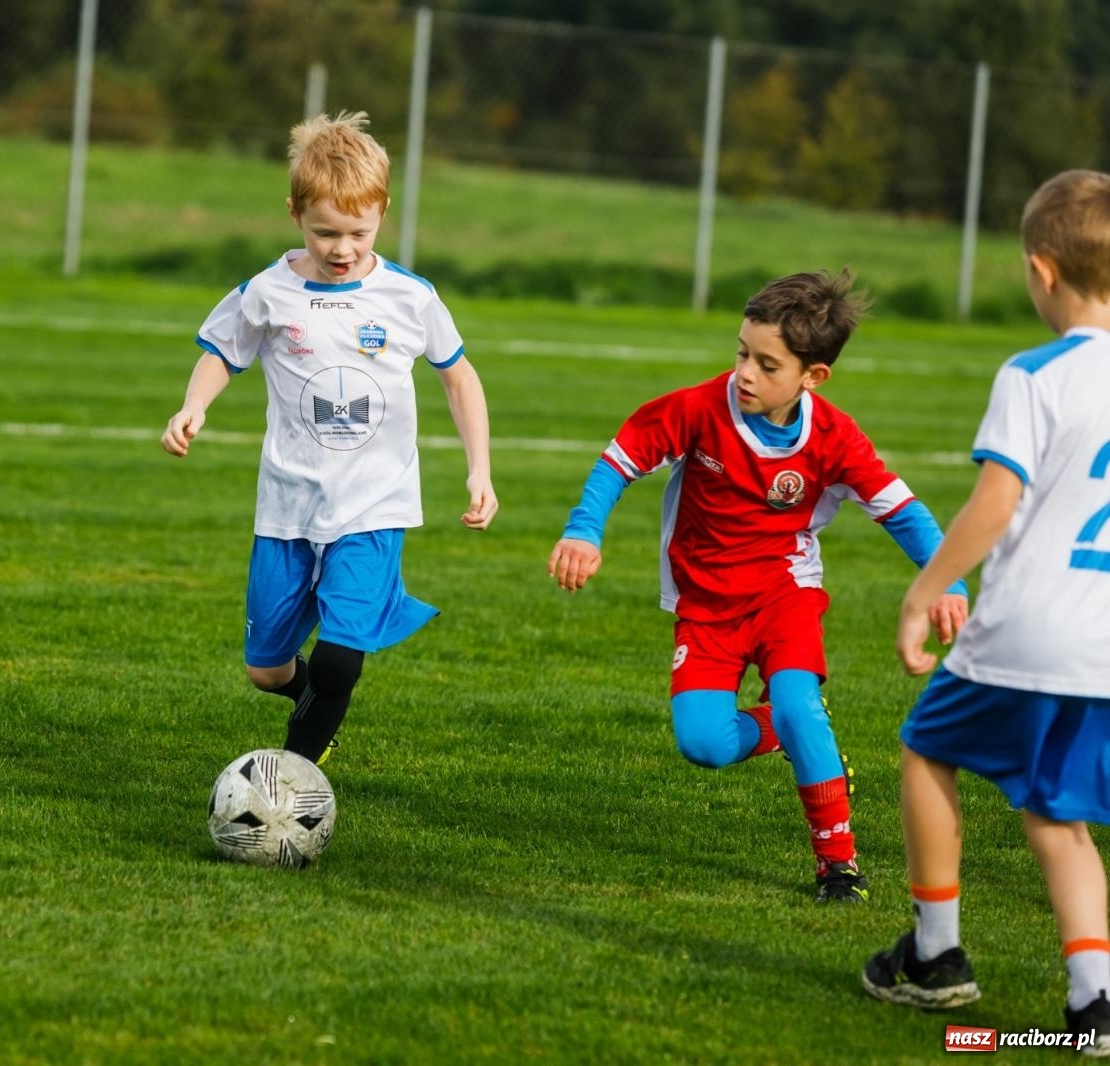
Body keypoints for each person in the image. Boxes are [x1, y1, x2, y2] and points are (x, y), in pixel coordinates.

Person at [547, 269, 969, 904]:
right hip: (705, 604)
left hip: (784, 592)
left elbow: (903, 512)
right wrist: (584, 532)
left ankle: (838, 865)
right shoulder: (697, 409)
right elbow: (620, 459)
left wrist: (947, 581)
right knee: (704, 744)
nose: (745, 372)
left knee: (801, 701)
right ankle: (793, 728)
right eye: (742, 352)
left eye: (767, 364)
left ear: (812, 376)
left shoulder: (834, 437)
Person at [861, 169, 1110, 1053]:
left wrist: (925, 591)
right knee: (1058, 810)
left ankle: (935, 955)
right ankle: (1095, 1002)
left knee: (927, 750)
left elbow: (995, 504)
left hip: (1025, 630)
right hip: (1104, 649)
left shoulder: (1035, 372)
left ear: (1043, 271)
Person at [161, 111, 496, 767]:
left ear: (382, 213)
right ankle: (311, 708)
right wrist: (192, 406)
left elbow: (460, 379)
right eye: (325, 233)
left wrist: (478, 471)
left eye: (358, 233)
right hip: (288, 504)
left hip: (374, 505)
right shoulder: (267, 292)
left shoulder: (409, 298)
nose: (342, 248)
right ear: (294, 214)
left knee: (341, 657)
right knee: (267, 670)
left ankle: (289, 782)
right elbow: (222, 354)